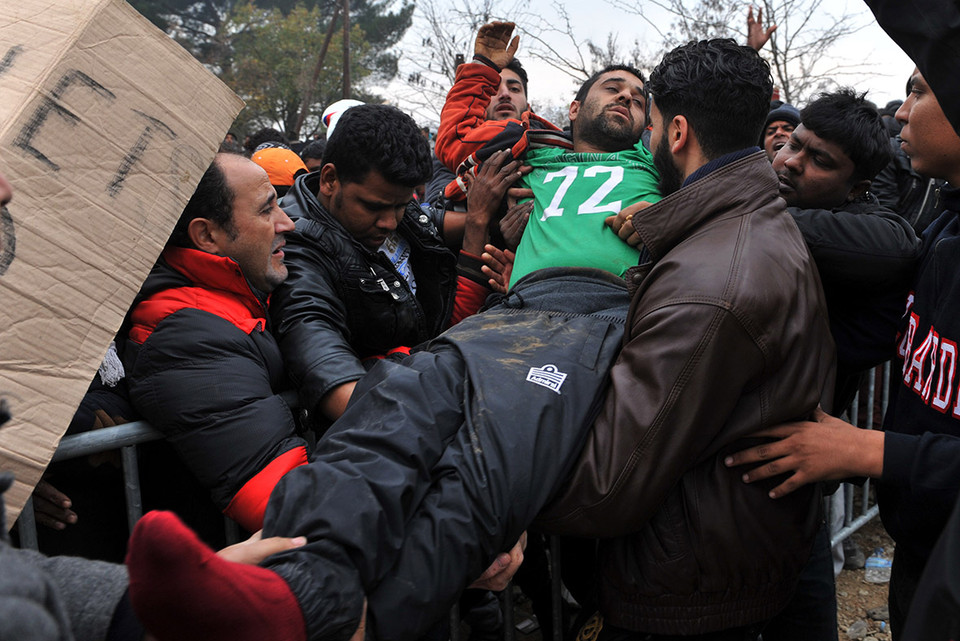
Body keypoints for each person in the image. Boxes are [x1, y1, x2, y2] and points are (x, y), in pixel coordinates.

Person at [123, 38, 833, 641]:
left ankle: (338, 616)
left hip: (589, 319)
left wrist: (658, 211)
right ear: (574, 108)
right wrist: (485, 71)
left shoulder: (663, 180)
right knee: (400, 396)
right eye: (611, 86)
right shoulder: (539, 158)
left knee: (486, 456)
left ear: (669, 133)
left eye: (642, 97)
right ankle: (300, 573)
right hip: (516, 309)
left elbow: (725, 152)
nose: (626, 99)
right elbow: (458, 138)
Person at [533, 38, 834, 640]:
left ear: (675, 134)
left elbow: (606, 484)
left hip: (687, 595)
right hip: (718, 562)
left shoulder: (710, 282)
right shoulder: (744, 222)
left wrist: (493, 480)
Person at [725, 66, 960, 640]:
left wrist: (871, 450)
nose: (902, 112)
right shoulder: (945, 231)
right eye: (792, 144)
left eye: (920, 91)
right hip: (919, 541)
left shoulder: (884, 242)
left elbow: (887, 246)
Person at [764, 88, 918, 641]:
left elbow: (896, 246)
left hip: (789, 480)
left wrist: (747, 216)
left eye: (818, 161)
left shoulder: (871, 236)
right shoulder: (751, 186)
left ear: (856, 187)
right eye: (794, 145)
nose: (791, 163)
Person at [269, 104, 513, 426]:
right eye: (374, 207)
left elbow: (431, 221)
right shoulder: (297, 252)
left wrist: (493, 220)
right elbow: (337, 383)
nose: (389, 223)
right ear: (329, 180)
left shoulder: (390, 204)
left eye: (401, 206)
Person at [121, 152, 307, 534]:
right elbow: (285, 502)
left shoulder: (245, 291)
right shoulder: (181, 335)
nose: (287, 222)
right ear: (207, 235)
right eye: (266, 209)